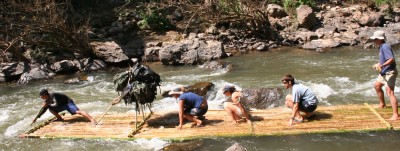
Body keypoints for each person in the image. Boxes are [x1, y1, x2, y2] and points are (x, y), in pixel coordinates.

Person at [370, 30, 399, 120]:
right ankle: (382, 104)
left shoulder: (385, 47)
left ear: (379, 39)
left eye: (375, 39)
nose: (374, 40)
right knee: (377, 86)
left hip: (390, 72)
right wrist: (379, 64)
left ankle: (396, 115)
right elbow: (385, 59)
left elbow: (391, 59)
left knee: (390, 93)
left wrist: (382, 65)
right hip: (384, 71)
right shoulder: (382, 46)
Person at [32, 89, 97, 124]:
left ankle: (92, 119)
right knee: (50, 109)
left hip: (68, 103)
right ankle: (59, 118)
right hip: (61, 105)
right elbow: (43, 110)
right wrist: (36, 118)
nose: (41, 98)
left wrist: (48, 105)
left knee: (78, 112)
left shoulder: (54, 95)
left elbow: (56, 104)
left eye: (41, 96)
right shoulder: (47, 100)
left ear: (45, 95)